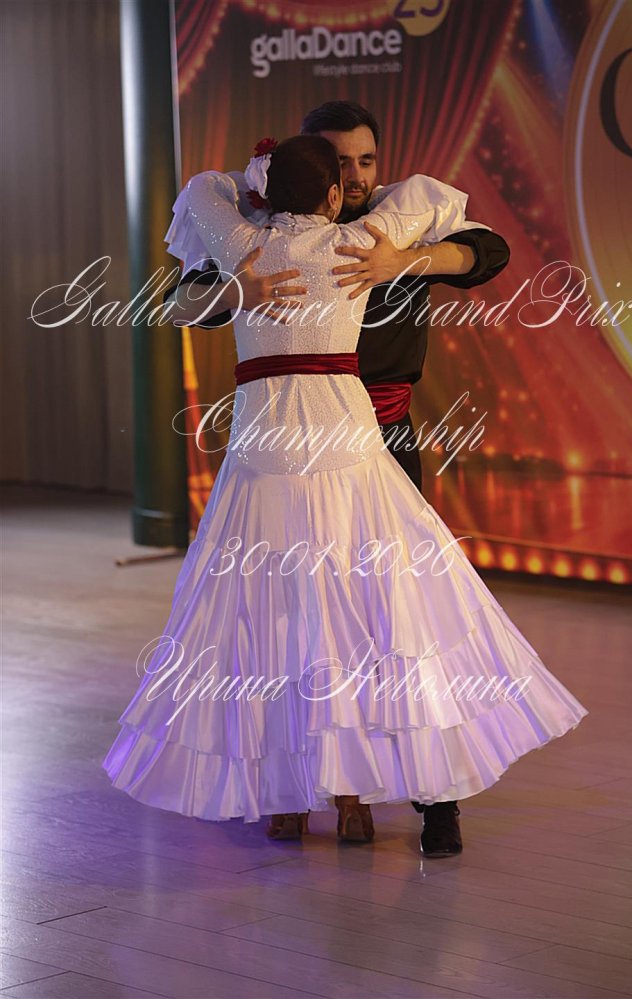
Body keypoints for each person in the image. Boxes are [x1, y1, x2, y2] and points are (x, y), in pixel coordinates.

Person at [104, 134, 587, 858]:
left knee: (269, 611)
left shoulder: (243, 244)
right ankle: (353, 794)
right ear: (333, 193)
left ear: (269, 187)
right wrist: (395, 250)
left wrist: (251, 212)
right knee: (371, 609)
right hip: (348, 447)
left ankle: (288, 793)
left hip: (266, 449)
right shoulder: (362, 241)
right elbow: (432, 196)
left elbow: (203, 186)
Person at [163, 101, 510, 854]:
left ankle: (434, 797)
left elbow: (488, 251)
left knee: (397, 615)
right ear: (321, 173)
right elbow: (178, 302)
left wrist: (405, 261)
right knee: (290, 612)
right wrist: (233, 289)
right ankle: (303, 782)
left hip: (375, 444)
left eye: (365, 161)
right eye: (340, 162)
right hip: (323, 443)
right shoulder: (288, 235)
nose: (355, 174)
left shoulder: (357, 231)